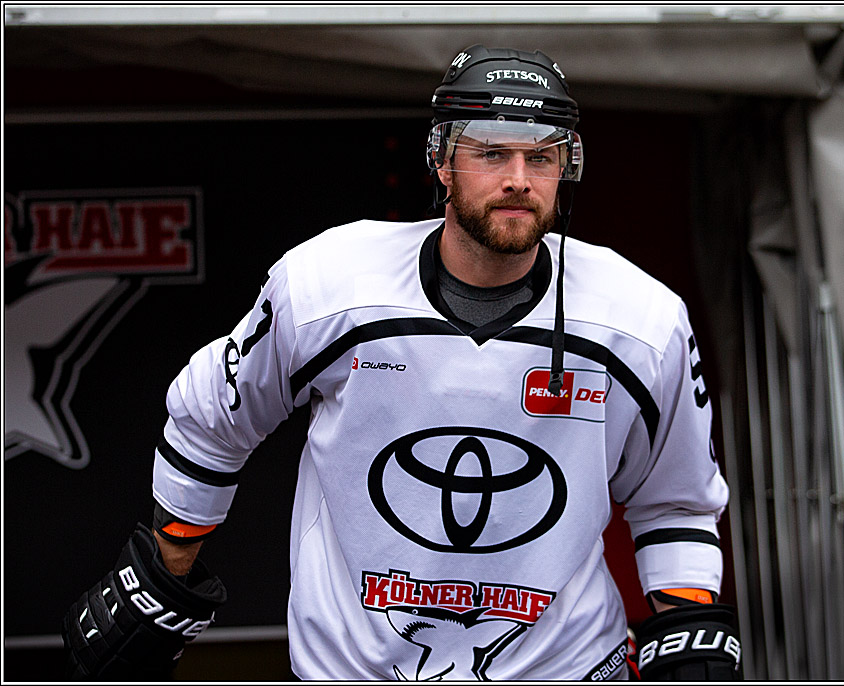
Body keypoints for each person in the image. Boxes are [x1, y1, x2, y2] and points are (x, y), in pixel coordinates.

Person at [61, 45, 742, 681]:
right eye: (490, 153)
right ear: (442, 160)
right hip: (355, 669)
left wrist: (683, 617)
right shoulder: (329, 284)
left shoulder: (641, 319)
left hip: (565, 665)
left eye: (541, 157)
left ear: (569, 166)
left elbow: (675, 496)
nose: (518, 179)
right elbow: (213, 417)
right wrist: (166, 570)